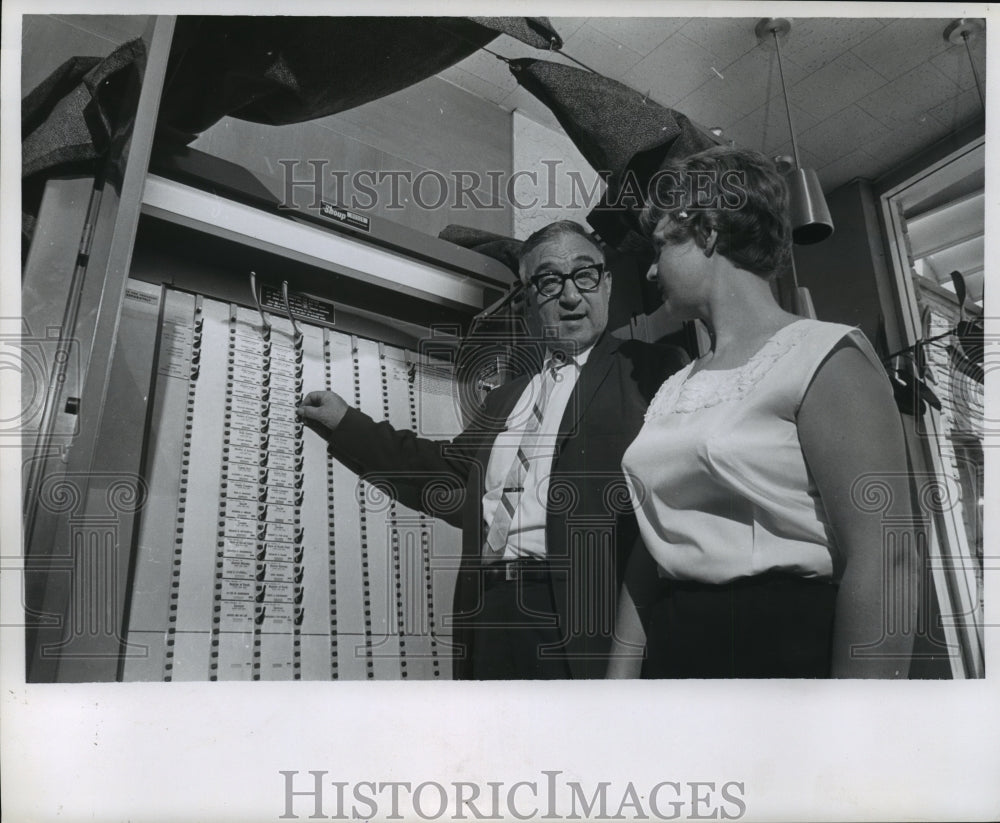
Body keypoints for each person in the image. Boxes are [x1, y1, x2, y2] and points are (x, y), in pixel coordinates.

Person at [297, 220, 688, 679]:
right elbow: (446, 478)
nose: (570, 295)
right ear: (528, 300)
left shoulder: (651, 372)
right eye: (549, 281)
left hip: (584, 624)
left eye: (585, 275)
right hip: (488, 613)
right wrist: (346, 424)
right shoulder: (504, 398)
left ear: (606, 284)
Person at [608, 147, 917, 679]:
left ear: (707, 231)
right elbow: (652, 546)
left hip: (782, 654)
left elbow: (887, 556)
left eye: (661, 245)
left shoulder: (823, 353)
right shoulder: (674, 387)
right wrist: (618, 685)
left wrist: (861, 718)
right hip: (676, 653)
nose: (653, 269)